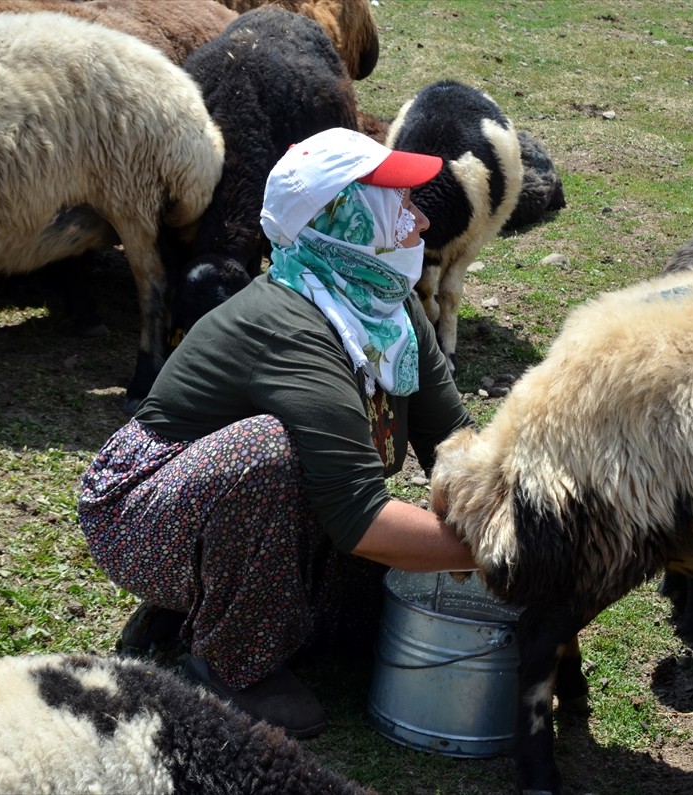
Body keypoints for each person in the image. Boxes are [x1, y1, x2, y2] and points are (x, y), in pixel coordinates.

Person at [78, 127, 477, 739]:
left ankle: (194, 608)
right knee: (268, 451)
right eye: (397, 203)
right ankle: (233, 663)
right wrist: (502, 553)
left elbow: (453, 440)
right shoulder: (291, 325)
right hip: (139, 515)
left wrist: (511, 509)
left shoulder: (390, 315)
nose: (421, 222)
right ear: (343, 218)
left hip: (253, 515)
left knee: (374, 622)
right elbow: (359, 516)